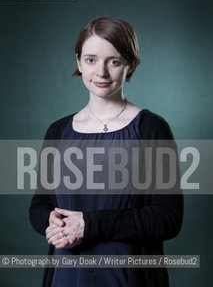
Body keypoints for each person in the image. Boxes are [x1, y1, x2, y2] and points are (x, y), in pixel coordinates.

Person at [29, 16, 184, 287]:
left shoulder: (151, 129)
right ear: (78, 61)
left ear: (130, 66)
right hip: (65, 278)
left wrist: (89, 225)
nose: (100, 72)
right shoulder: (58, 131)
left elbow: (167, 219)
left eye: (113, 61)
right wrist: (49, 220)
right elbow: (39, 206)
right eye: (91, 59)